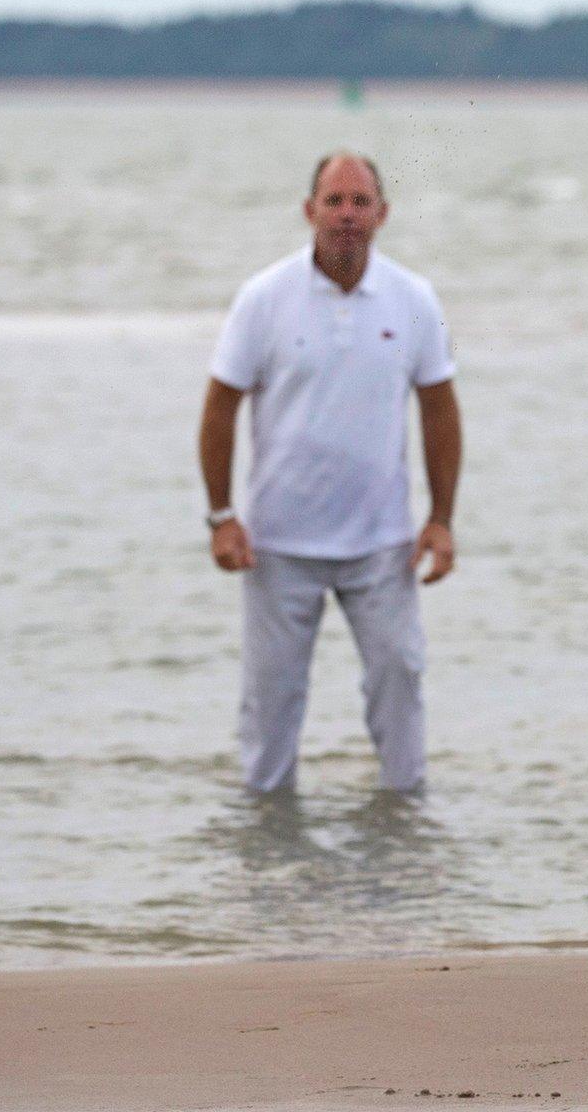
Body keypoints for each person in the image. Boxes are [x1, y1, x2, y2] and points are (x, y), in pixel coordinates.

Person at [197, 152, 462, 795]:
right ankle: (266, 853)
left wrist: (441, 519)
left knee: (400, 679)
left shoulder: (413, 298)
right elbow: (220, 405)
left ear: (382, 215)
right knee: (271, 706)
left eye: (360, 202)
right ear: (310, 210)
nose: (346, 215)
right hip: (279, 543)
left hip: (381, 542)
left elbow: (438, 407)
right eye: (335, 201)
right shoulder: (264, 299)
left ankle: (404, 838)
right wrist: (222, 517)